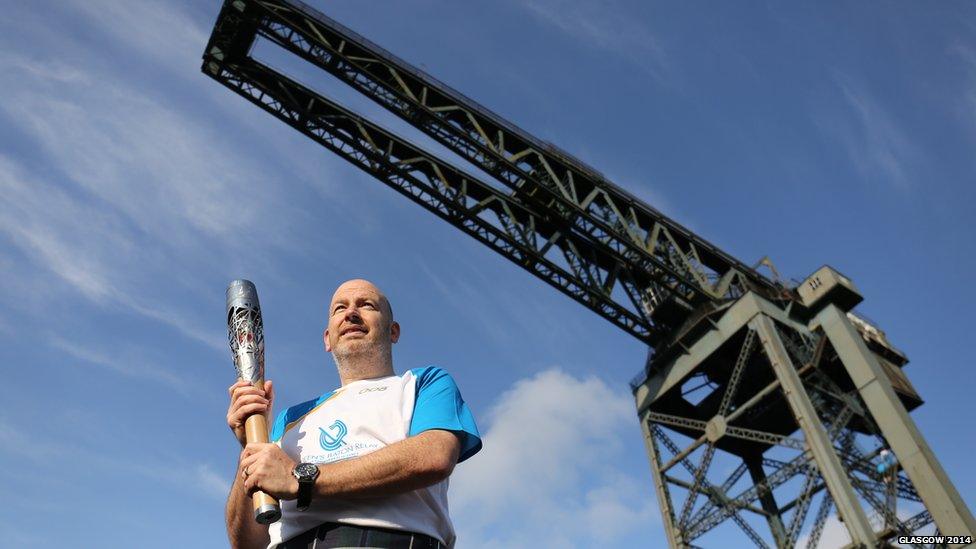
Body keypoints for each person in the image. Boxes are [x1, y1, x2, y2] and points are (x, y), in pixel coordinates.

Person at [225, 279, 482, 548]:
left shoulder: (423, 383)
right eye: (339, 308)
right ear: (328, 339)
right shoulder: (290, 419)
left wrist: (301, 479)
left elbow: (434, 456)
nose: (351, 313)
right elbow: (247, 544)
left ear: (393, 331)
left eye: (366, 304)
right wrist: (250, 448)